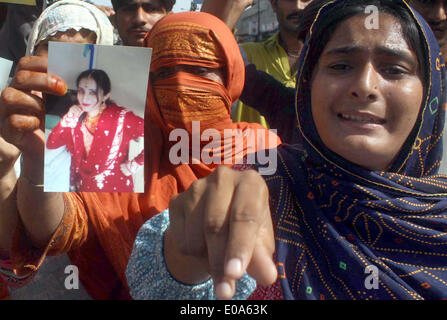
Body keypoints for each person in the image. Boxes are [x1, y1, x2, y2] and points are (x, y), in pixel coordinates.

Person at [126, 0, 447, 300]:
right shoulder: (264, 183)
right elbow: (157, 282)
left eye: (394, 69)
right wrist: (187, 256)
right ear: (307, 84)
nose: (364, 86)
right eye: (340, 65)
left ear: (430, 90)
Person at [0, 8, 279, 301]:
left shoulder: (267, 149)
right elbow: (62, 227)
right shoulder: (124, 147)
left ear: (230, 74)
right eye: (164, 73)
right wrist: (36, 159)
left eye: (199, 70)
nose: (181, 84)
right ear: (147, 83)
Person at [0, 0, 114, 299]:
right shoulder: (10, 127)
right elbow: (11, 251)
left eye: (82, 54)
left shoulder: (124, 143)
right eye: (51, 52)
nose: (64, 72)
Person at [46, 69, 144, 192]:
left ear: (105, 96)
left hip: (115, 192)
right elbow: (52, 143)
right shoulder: (76, 119)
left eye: (92, 93)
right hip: (84, 190)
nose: (85, 98)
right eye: (81, 91)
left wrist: (134, 164)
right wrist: (67, 118)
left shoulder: (121, 117)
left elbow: (156, 135)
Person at [231, 0, 313, 131]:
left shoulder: (329, 62)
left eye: (305, 0)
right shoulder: (246, 54)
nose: (298, 7)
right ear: (274, 4)